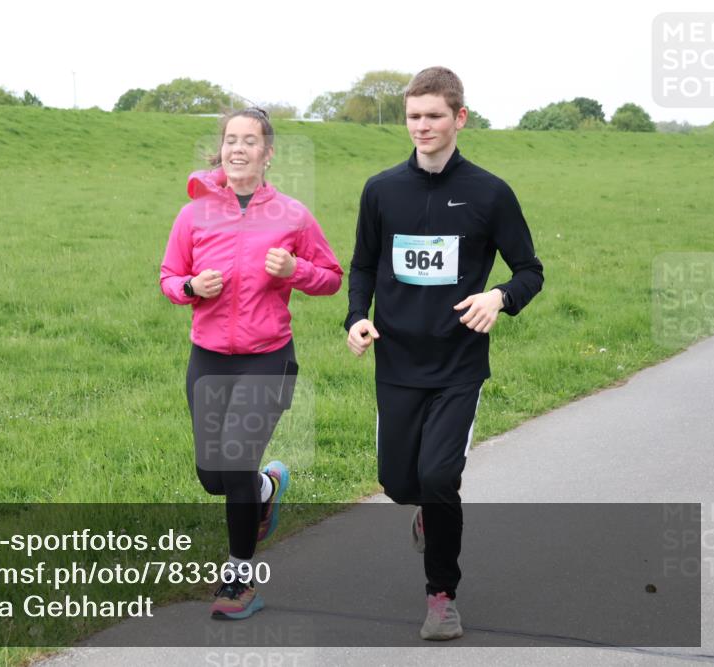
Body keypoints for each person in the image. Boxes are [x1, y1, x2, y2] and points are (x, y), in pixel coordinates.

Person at [344, 67, 544, 640]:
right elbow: (362, 265)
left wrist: (500, 297)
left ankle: (440, 596)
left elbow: (530, 270)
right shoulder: (382, 190)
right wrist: (357, 316)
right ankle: (425, 510)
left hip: (458, 364)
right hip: (397, 362)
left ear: (459, 118)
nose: (422, 126)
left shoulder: (489, 192)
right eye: (413, 116)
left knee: (439, 476)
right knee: (400, 484)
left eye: (434, 116)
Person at [161, 106, 342, 620]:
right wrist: (191, 287)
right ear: (220, 149)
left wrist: (295, 268)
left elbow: (330, 277)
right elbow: (169, 277)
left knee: (235, 465)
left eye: (250, 141)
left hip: (267, 359)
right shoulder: (192, 214)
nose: (238, 149)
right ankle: (267, 487)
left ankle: (238, 580)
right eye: (230, 140)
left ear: (268, 153)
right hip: (209, 359)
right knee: (212, 476)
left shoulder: (293, 215)